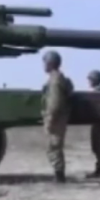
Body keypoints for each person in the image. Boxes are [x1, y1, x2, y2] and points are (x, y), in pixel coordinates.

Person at [41, 50, 73, 183]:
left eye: (45, 62)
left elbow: (54, 102)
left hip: (56, 118)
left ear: (50, 63)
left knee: (53, 146)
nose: (43, 65)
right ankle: (59, 175)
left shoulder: (55, 80)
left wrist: (50, 119)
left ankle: (59, 177)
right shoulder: (59, 78)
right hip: (60, 117)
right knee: (55, 146)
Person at [86, 69, 100, 179]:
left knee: (98, 146)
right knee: (98, 146)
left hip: (99, 122)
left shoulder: (98, 92)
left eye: (90, 79)